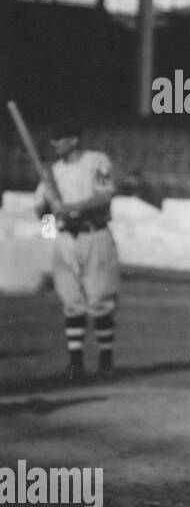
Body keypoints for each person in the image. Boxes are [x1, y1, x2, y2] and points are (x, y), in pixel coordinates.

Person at [33, 123, 120, 383]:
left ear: (73, 140)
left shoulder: (97, 161)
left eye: (59, 139)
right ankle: (75, 363)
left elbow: (104, 195)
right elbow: (41, 212)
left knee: (100, 299)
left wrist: (71, 207)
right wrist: (49, 213)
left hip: (95, 234)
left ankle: (106, 360)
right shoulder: (51, 172)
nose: (54, 144)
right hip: (65, 239)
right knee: (71, 302)